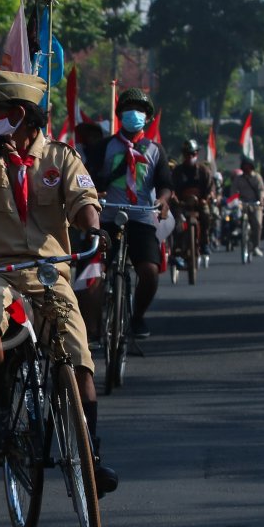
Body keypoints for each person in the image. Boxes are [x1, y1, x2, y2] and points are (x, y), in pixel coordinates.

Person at [0, 70, 117, 495]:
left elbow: (85, 200)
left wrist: (94, 229)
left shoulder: (61, 158)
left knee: (78, 355)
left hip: (50, 269)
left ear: (18, 115)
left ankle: (91, 453)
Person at [86, 87, 171, 339]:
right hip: (108, 216)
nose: (134, 113)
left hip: (141, 216)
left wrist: (164, 201)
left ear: (147, 117)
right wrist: (93, 192)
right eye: (128, 109)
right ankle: (93, 325)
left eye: (140, 110)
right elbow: (86, 177)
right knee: (93, 270)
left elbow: (165, 184)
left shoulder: (156, 150)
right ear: (120, 114)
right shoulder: (104, 147)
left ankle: (137, 317)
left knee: (149, 271)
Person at [170, 138, 214, 264]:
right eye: (187, 154)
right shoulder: (177, 172)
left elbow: (210, 188)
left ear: (196, 154)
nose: (190, 157)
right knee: (176, 221)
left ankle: (205, 243)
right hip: (181, 204)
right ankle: (177, 251)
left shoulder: (204, 171)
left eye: (192, 154)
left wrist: (206, 199)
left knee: (206, 214)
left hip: (200, 204)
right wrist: (175, 199)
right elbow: (171, 188)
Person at [231, 156, 264, 258]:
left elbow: (261, 190)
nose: (247, 168)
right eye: (245, 166)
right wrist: (235, 200)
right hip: (242, 203)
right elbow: (234, 191)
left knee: (258, 224)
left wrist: (261, 200)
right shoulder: (238, 179)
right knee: (235, 214)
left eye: (248, 166)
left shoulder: (257, 178)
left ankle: (256, 246)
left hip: (255, 204)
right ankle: (237, 227)